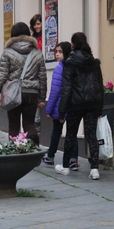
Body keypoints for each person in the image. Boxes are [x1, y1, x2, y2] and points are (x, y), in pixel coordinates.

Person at [55, 32, 104, 180]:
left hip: (75, 104)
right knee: (91, 136)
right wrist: (99, 108)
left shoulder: (69, 62)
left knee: (71, 134)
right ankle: (94, 169)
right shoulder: (94, 63)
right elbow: (99, 86)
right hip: (92, 104)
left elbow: (67, 88)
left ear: (73, 45)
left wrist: (62, 111)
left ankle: (65, 167)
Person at [0, 22, 47, 145]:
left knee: (14, 124)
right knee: (29, 123)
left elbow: (2, 76)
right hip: (31, 94)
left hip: (13, 93)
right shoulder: (37, 53)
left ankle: (15, 151)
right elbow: (42, 76)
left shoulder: (7, 52)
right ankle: (32, 143)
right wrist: (42, 98)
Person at [43, 42, 79, 170]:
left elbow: (55, 91)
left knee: (56, 131)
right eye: (56, 52)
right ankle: (73, 160)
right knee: (72, 133)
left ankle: (50, 156)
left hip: (60, 106)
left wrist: (49, 109)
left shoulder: (59, 68)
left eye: (60, 52)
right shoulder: (75, 66)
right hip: (73, 105)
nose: (57, 54)